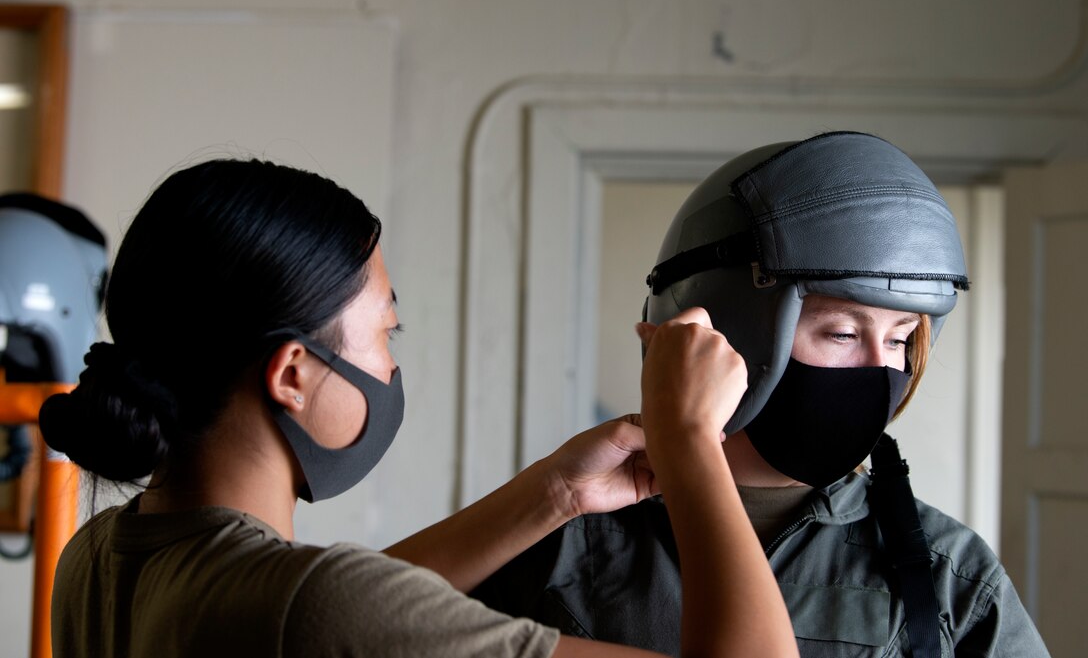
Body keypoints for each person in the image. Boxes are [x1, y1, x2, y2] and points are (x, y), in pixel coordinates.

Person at [37, 157, 799, 658]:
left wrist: (556, 493)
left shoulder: (102, 556)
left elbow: (324, 615)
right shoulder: (306, 605)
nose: (392, 365)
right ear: (293, 374)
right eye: (383, 333)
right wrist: (693, 440)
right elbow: (328, 612)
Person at [472, 132, 1051, 657]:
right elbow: (388, 620)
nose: (880, 370)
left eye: (900, 339)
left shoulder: (951, 575)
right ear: (724, 329)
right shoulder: (562, 544)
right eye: (842, 333)